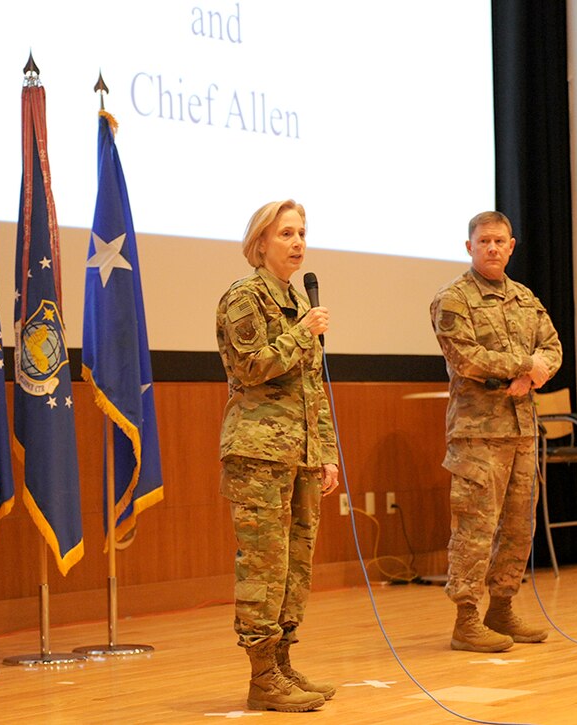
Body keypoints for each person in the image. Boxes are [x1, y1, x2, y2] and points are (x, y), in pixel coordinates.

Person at [216, 199, 340, 712]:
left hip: (303, 454)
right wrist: (301, 332)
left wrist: (328, 453)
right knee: (264, 567)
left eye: (302, 233)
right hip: (258, 453)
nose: (297, 243)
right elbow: (248, 367)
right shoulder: (245, 298)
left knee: (296, 565)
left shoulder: (294, 301)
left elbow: (315, 388)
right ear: (260, 242)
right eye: (286, 233)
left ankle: (283, 663)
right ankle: (261, 674)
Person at [430, 210, 562, 652]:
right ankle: (466, 619)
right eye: (483, 241)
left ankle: (502, 608)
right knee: (474, 528)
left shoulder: (525, 298)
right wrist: (524, 366)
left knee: (518, 527)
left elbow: (553, 347)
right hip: (477, 435)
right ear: (469, 247)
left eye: (499, 241)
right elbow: (466, 358)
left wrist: (532, 376)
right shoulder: (453, 299)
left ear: (511, 246)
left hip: (522, 429)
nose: (491, 248)